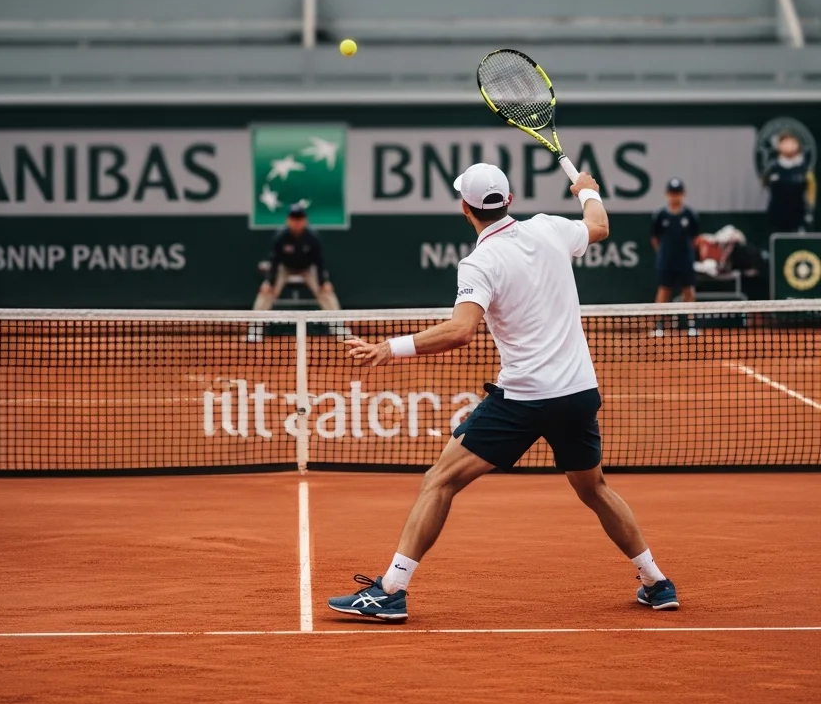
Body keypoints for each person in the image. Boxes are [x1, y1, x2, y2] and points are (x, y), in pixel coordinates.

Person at [327, 163, 678, 622]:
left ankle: (391, 590)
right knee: (594, 488)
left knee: (440, 481)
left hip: (524, 400)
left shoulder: (480, 262)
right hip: (577, 392)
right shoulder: (550, 228)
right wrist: (587, 191)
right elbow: (599, 226)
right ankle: (656, 582)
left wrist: (389, 348)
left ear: (464, 208)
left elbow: (460, 331)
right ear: (509, 200)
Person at [253, 204, 341, 312]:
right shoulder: (280, 237)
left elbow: (319, 261)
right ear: (288, 220)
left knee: (326, 291)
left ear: (305, 221)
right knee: (266, 290)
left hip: (307, 268)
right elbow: (275, 260)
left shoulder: (312, 237)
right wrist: (270, 282)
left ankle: (338, 321)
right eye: (293, 219)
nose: (296, 222)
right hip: (285, 268)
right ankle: (255, 321)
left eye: (299, 219)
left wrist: (323, 282)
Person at [651, 178, 699, 337]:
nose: (675, 196)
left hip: (685, 262)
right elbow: (655, 239)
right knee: (663, 292)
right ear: (667, 194)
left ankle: (692, 325)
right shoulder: (660, 215)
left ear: (683, 194)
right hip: (666, 262)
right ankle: (659, 326)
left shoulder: (690, 215)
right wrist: (664, 253)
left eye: (678, 193)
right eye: (672, 193)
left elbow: (695, 239)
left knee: (689, 292)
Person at [763, 131, 816, 235]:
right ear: (779, 146)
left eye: (792, 142)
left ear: (798, 145)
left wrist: (809, 211)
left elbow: (811, 191)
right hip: (777, 217)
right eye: (785, 142)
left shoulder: (805, 168)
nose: (788, 145)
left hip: (798, 217)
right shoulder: (772, 168)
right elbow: (765, 182)